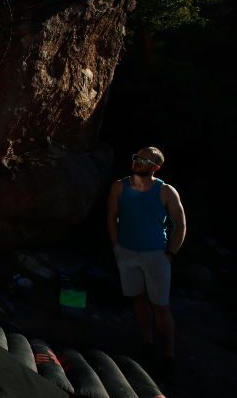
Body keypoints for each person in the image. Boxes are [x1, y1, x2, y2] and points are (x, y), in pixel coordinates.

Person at [107, 146, 186, 377]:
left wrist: (170, 253)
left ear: (156, 167)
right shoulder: (119, 186)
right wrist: (116, 246)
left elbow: (180, 224)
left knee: (161, 307)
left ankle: (169, 354)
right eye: (137, 157)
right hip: (127, 252)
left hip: (156, 255)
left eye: (145, 159)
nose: (138, 161)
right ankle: (147, 342)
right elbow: (111, 217)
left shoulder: (166, 191)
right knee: (138, 299)